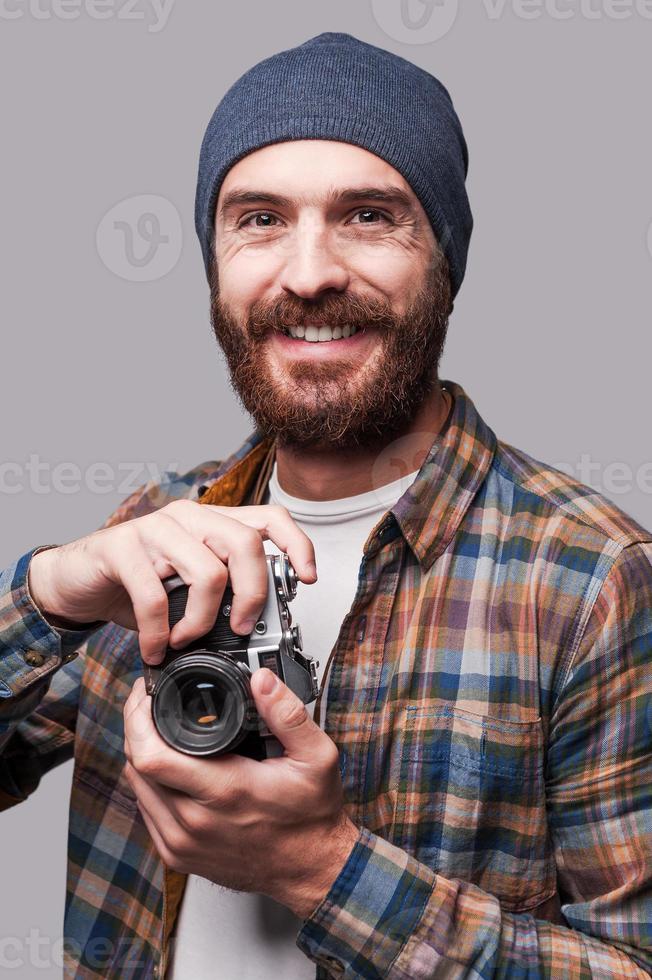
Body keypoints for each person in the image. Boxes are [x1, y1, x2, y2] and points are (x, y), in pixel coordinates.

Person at [1, 31, 651, 980]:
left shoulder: (591, 581)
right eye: (258, 219)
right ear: (215, 263)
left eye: (369, 216)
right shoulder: (153, 534)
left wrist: (322, 870)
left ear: (445, 260)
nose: (308, 274)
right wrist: (51, 591)